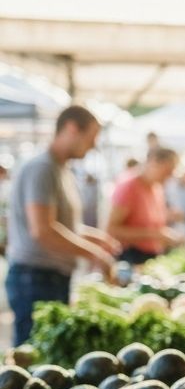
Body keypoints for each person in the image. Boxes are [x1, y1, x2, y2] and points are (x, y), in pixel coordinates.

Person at [5, 105, 118, 344]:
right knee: (32, 359)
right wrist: (95, 254)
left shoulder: (60, 169)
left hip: (49, 277)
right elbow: (43, 231)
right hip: (35, 278)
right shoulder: (42, 168)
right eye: (91, 137)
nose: (93, 145)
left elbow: (64, 226)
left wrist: (97, 239)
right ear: (71, 129)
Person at [107, 146, 183, 264]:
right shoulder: (129, 186)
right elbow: (112, 229)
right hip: (130, 257)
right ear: (154, 163)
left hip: (151, 256)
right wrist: (154, 234)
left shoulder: (157, 188)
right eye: (168, 170)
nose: (170, 176)